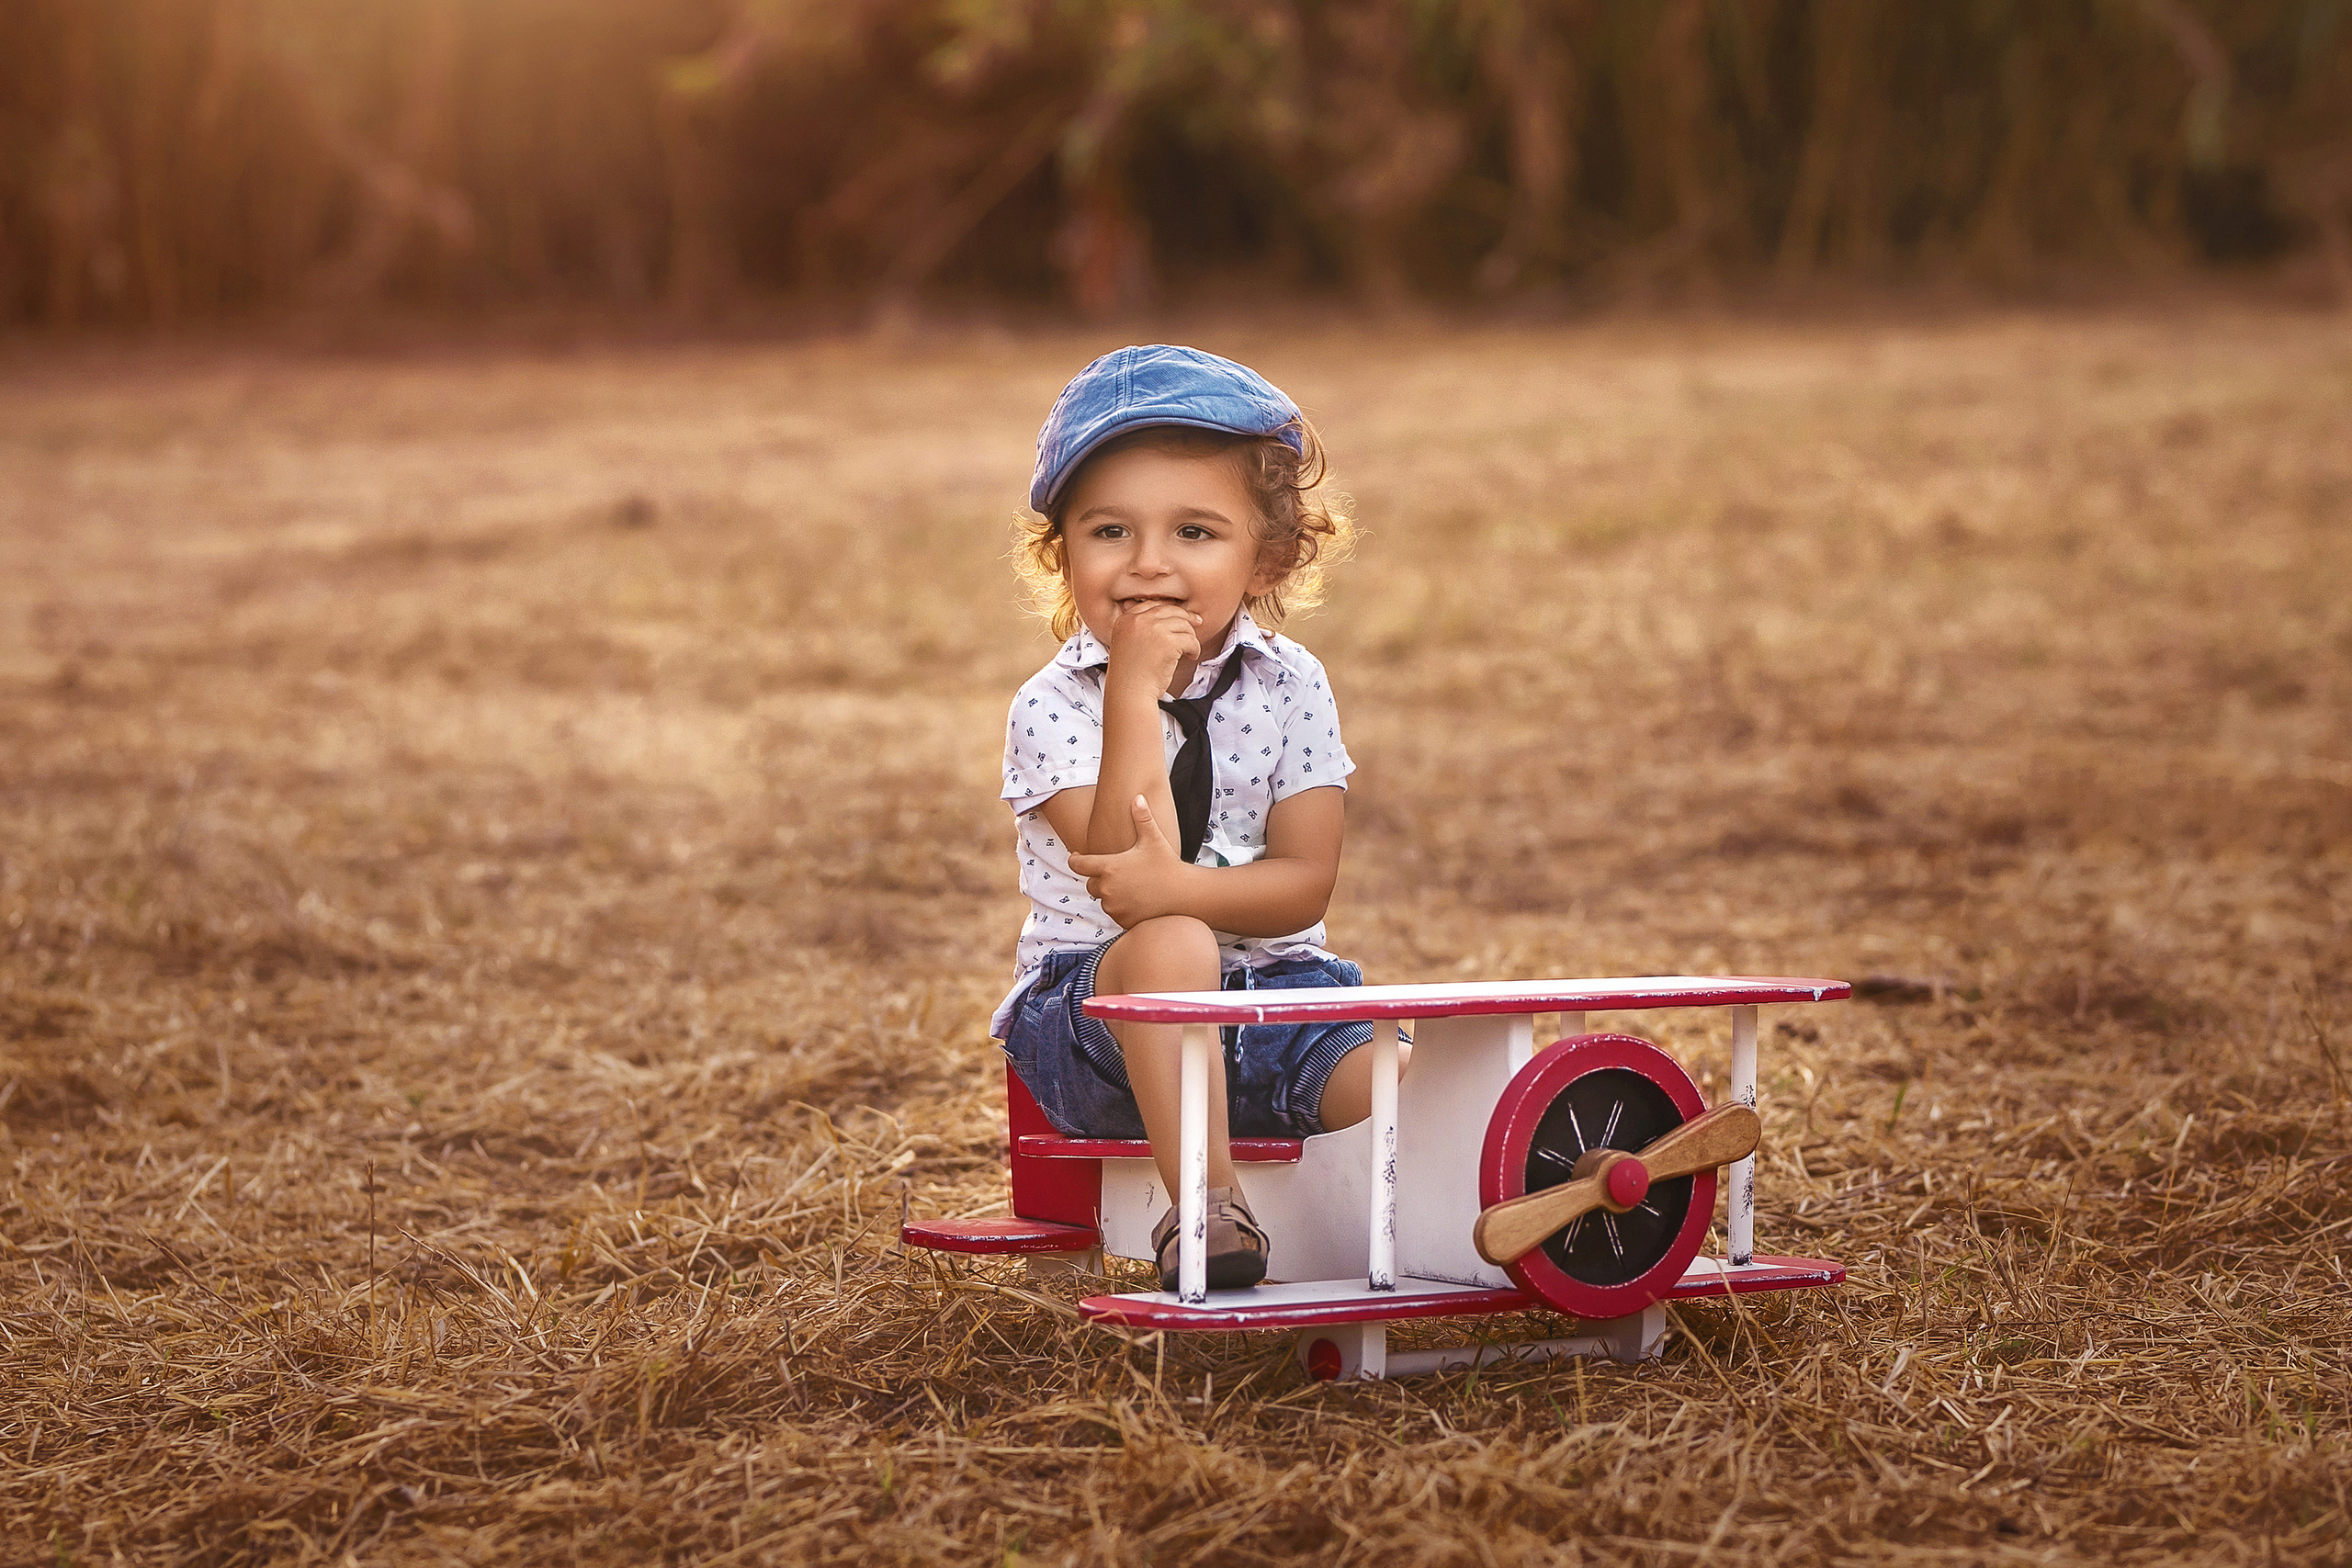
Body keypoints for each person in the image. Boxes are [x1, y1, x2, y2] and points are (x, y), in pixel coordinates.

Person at [990, 344, 1383, 1292]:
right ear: (1064, 553)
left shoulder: (1292, 685)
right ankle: (1204, 1208)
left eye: (1196, 532)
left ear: (1269, 557)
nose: (1150, 563)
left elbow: (1300, 887)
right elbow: (1125, 877)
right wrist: (1131, 692)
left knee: (1403, 1074)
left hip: (1272, 1000)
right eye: (1111, 530)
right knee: (1171, 939)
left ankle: (1499, 1205)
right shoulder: (1051, 705)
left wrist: (1180, 887)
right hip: (1101, 1024)